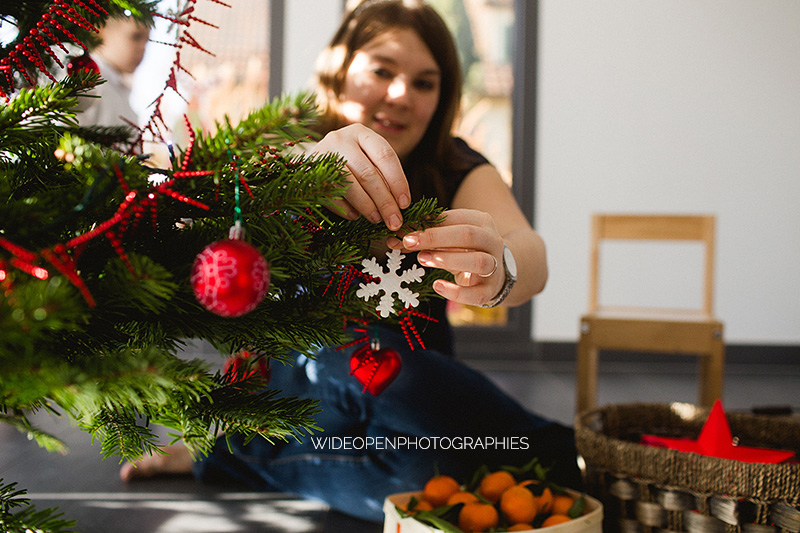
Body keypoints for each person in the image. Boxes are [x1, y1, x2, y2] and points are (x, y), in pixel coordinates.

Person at [121, 0, 581, 522]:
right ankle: (557, 453)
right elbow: (211, 213)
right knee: (415, 451)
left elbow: (531, 252)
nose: (401, 94)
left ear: (443, 96)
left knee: (420, 458)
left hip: (413, 406)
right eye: (382, 71)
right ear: (339, 72)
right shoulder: (289, 147)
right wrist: (301, 169)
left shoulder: (456, 167)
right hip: (302, 393)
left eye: (425, 83)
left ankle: (239, 456)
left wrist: (502, 270)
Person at [77, 15, 150, 127]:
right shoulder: (86, 84)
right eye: (136, 37)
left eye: (147, 41)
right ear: (101, 31)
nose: (143, 48)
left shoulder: (119, 89)